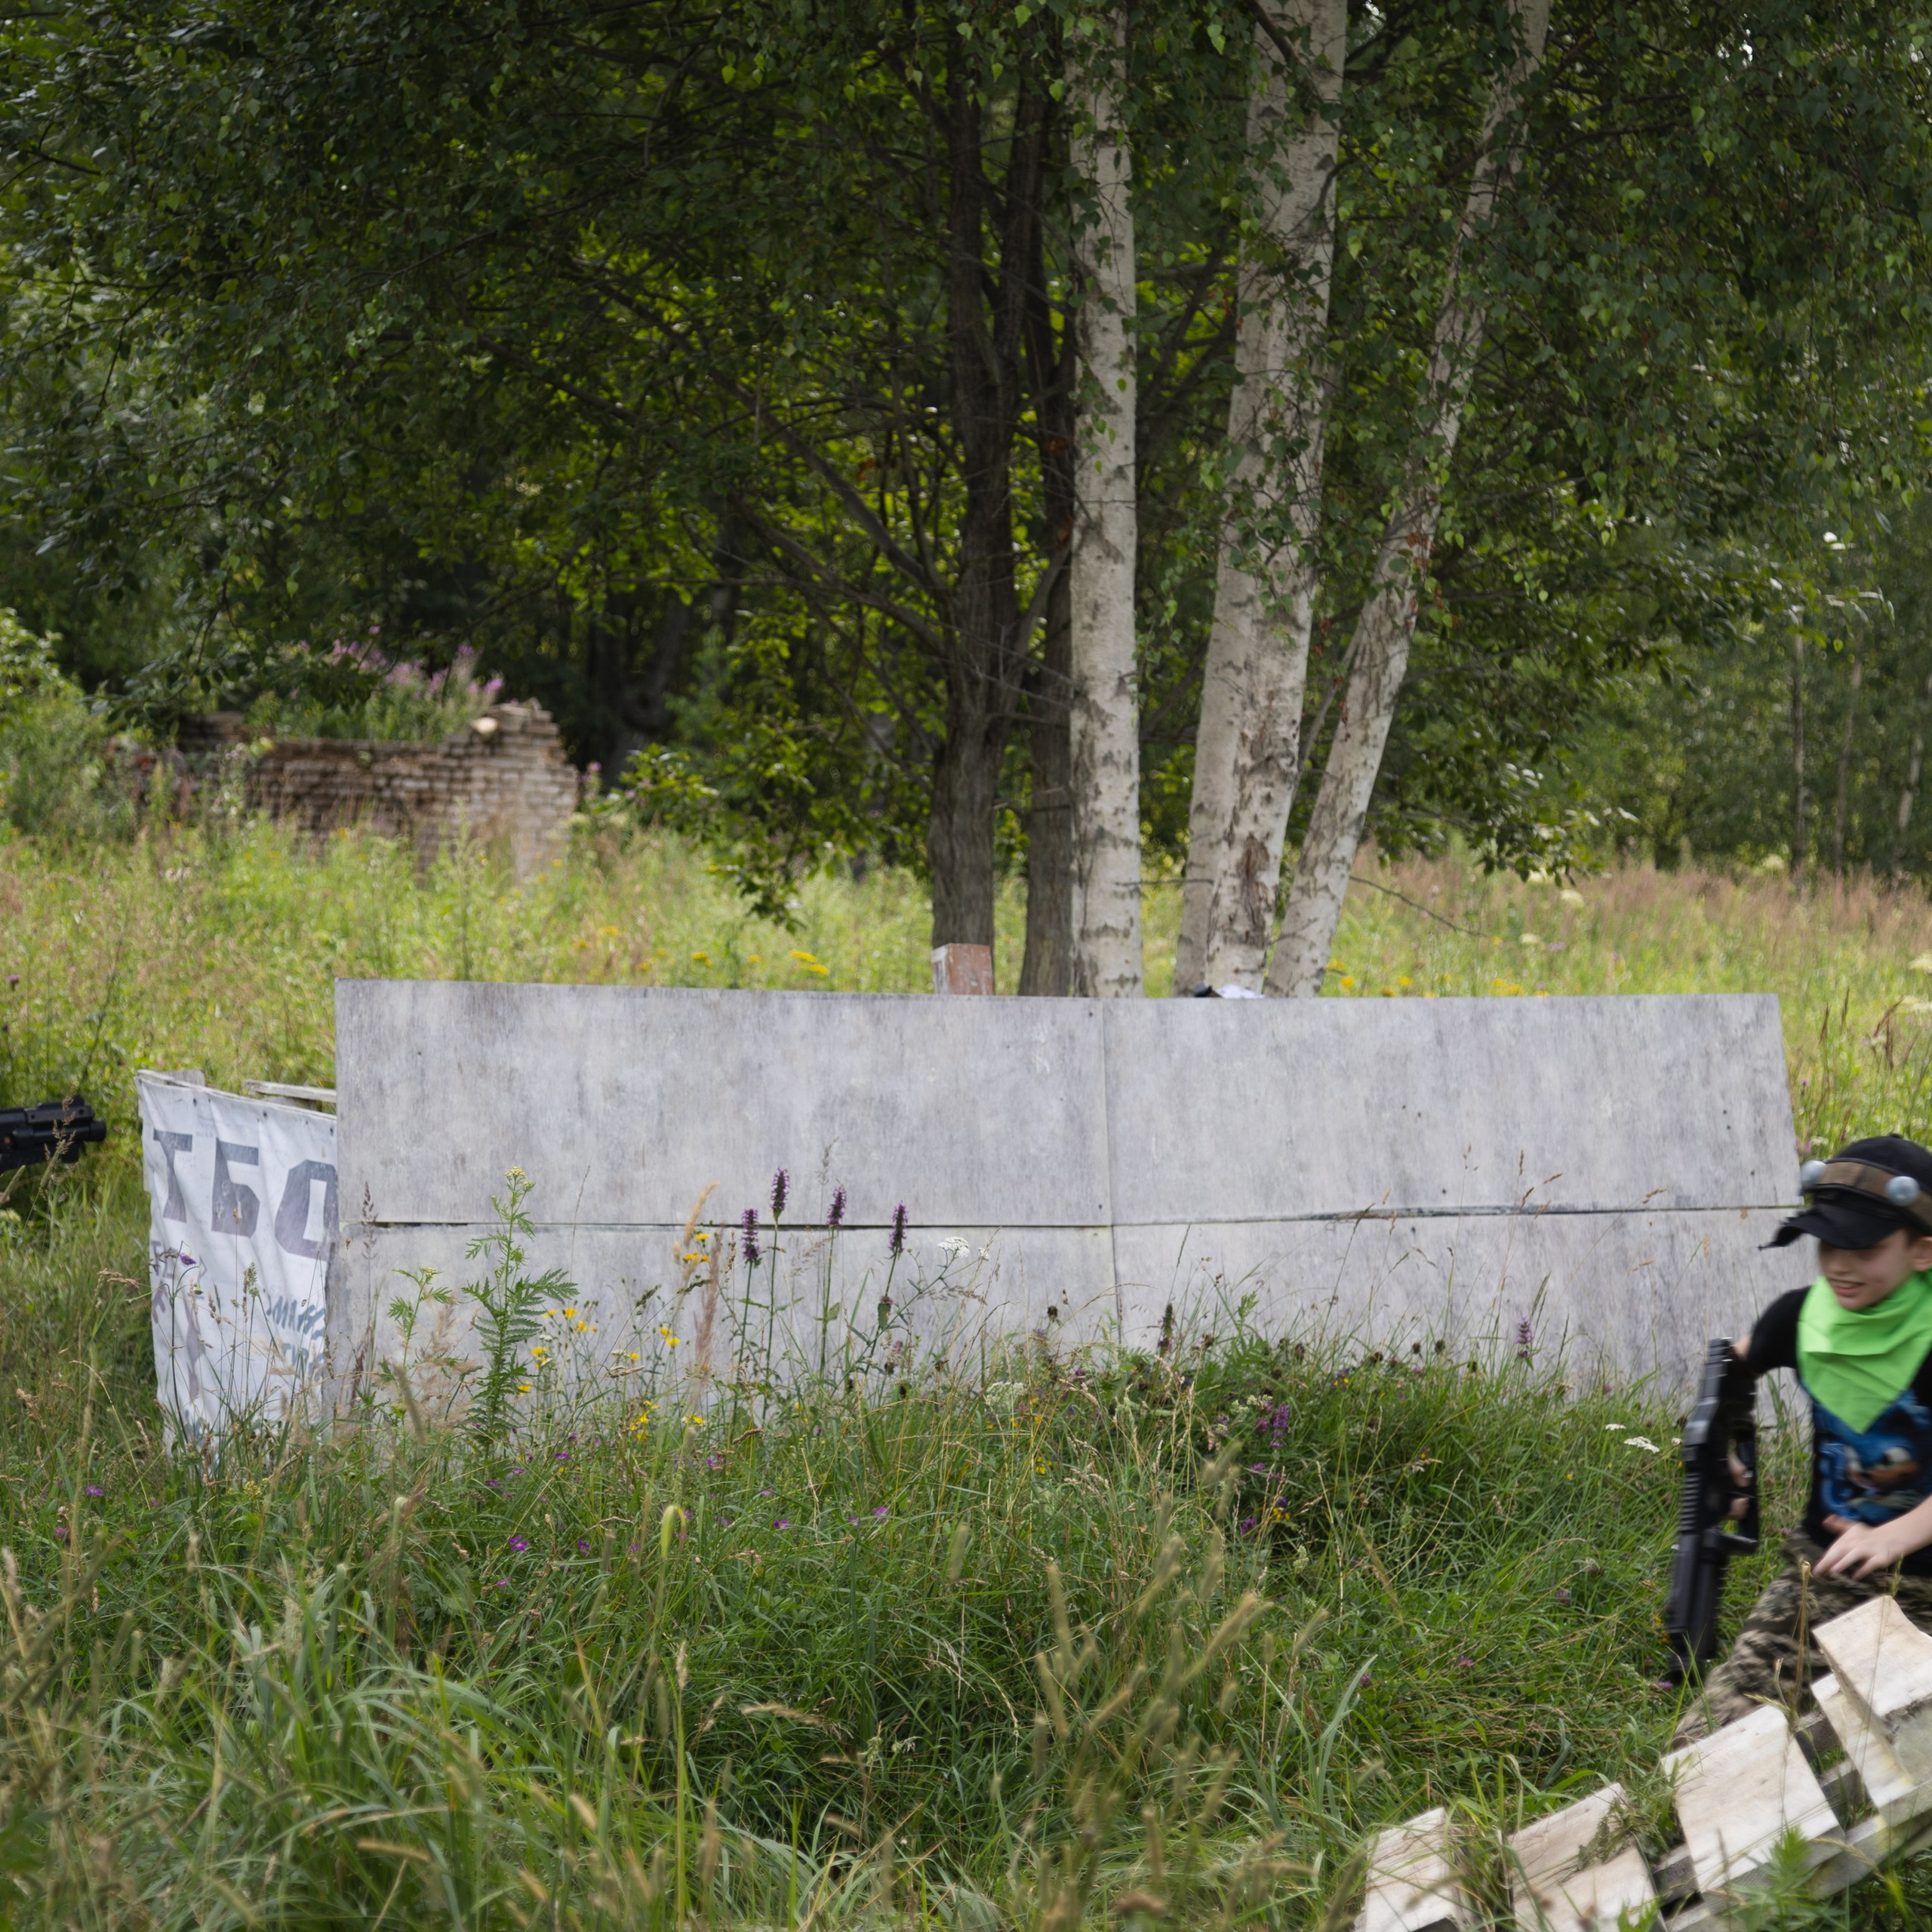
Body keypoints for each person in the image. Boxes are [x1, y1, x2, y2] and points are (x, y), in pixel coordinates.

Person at [1673, 1134, 1932, 1746]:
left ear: (1922, 1250)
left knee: (1889, 1742)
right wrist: (1726, 1459)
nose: (1840, 1264)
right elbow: (1733, 1368)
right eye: (1827, 1244)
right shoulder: (1801, 1318)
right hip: (1827, 1573)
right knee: (1711, 1740)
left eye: (1865, 1247)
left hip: (1927, 1583)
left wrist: (1893, 1535)